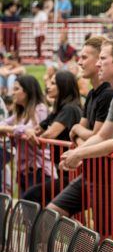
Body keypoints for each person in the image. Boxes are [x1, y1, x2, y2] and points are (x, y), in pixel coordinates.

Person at [58, 39, 113, 234]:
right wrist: (74, 153)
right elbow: (101, 136)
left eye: (102, 58)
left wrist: (79, 155)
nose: (98, 63)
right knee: (111, 236)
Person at [47, 36, 113, 233]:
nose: (79, 62)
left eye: (84, 57)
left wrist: (78, 132)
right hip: (89, 173)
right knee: (52, 212)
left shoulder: (108, 93)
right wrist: (79, 134)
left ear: (99, 60)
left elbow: (96, 134)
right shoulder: (94, 94)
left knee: (106, 235)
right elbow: (79, 132)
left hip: (106, 178)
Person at [23, 71, 82, 205]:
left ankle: (40, 227)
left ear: (64, 86)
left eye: (53, 83)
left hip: (73, 173)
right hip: (63, 170)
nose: (48, 86)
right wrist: (30, 131)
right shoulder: (58, 110)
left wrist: (36, 137)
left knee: (31, 196)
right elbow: (38, 129)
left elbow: (50, 134)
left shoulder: (70, 109)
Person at [0, 75, 52, 194]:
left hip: (39, 171)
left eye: (16, 89)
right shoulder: (20, 112)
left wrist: (9, 129)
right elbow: (4, 123)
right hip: (23, 171)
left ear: (27, 91)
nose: (12, 93)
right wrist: (13, 129)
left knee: (37, 209)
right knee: (27, 209)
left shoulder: (40, 108)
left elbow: (32, 129)